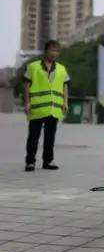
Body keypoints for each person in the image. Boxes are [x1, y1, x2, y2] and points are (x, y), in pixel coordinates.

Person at [23, 40, 70, 172]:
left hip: (54, 109)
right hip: (37, 108)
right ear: (46, 51)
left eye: (57, 51)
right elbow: (26, 86)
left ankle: (48, 161)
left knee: (50, 137)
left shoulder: (61, 69)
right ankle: (30, 162)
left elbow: (65, 86)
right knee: (33, 137)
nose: (54, 53)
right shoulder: (33, 67)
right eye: (52, 50)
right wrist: (27, 103)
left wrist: (65, 102)